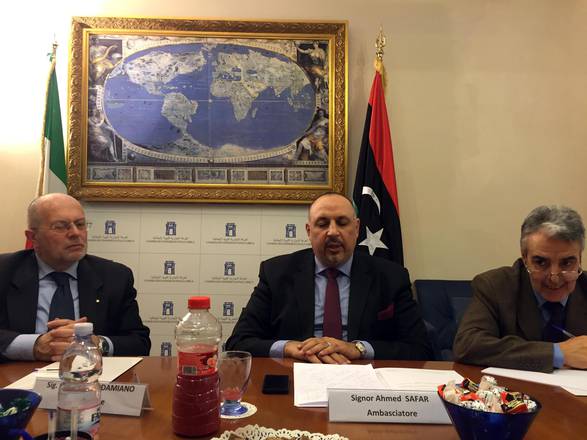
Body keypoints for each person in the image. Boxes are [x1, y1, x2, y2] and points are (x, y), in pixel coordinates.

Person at [225, 193, 431, 363]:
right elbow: (239, 342)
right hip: (296, 373)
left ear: (357, 229)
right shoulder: (276, 273)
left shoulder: (391, 277)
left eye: (342, 223)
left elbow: (420, 348)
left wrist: (359, 349)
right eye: (322, 224)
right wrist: (289, 347)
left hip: (361, 376)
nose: (333, 232)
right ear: (309, 231)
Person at [0, 193, 151, 362]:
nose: (75, 233)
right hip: (18, 375)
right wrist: (35, 345)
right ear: (33, 237)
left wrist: (97, 343)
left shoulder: (115, 276)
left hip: (90, 374)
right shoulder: (4, 271)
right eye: (60, 227)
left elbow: (139, 342)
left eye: (80, 224)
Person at [453, 205, 587, 372]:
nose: (554, 277)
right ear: (525, 258)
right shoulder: (495, 286)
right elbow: (467, 345)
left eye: (567, 263)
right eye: (541, 262)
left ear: (580, 259)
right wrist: (557, 353)